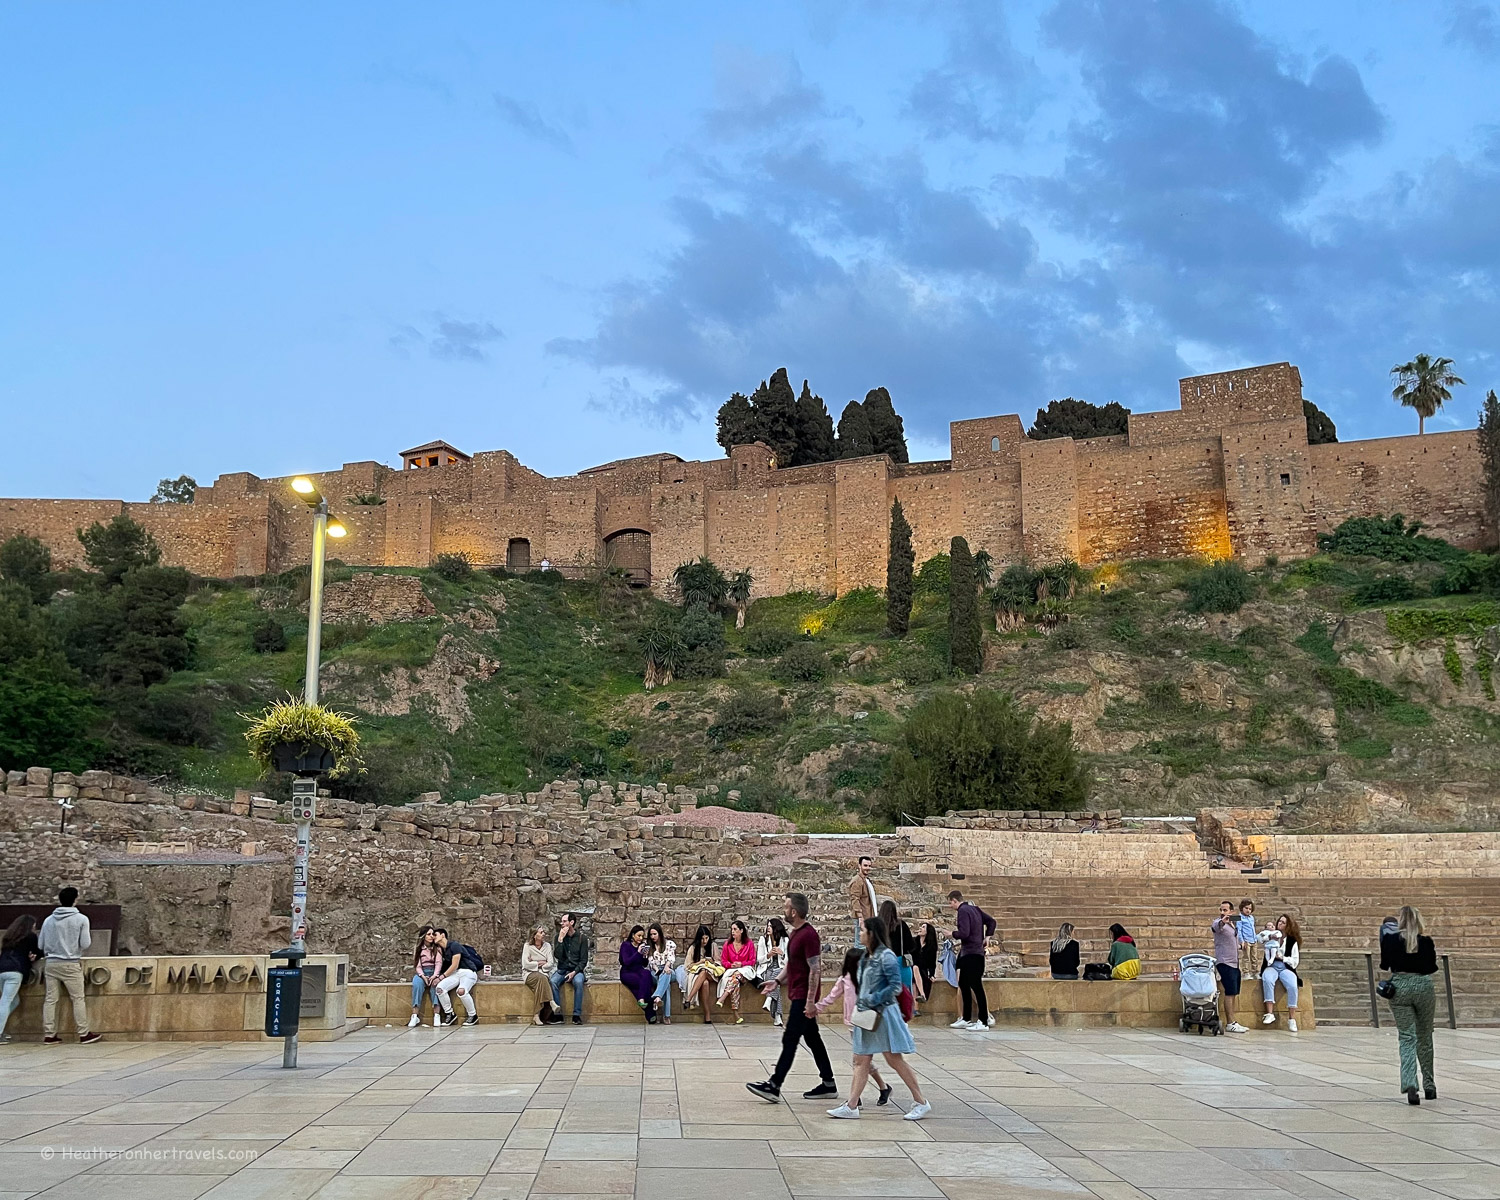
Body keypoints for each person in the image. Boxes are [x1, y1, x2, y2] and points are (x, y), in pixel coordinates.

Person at [825, 917, 932, 1121]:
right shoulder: (867, 957)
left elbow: (895, 986)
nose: (860, 934)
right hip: (867, 1014)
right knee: (861, 1059)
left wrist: (871, 999)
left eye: (863, 930)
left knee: (893, 1059)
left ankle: (921, 1102)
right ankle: (852, 1105)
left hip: (882, 1014)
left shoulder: (886, 957)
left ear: (872, 933)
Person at [746, 892, 838, 1104]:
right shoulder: (795, 933)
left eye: (786, 907)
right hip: (797, 992)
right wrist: (776, 981)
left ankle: (774, 1085)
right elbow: (791, 964)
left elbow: (815, 969)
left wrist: (810, 1001)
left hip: (803, 997)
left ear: (794, 911)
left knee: (790, 1039)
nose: (784, 909)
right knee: (813, 1038)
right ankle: (828, 1083)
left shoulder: (809, 935)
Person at [812, 947, 892, 1106]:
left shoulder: (868, 978)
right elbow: (832, 996)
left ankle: (856, 1098)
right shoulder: (845, 980)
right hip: (854, 1024)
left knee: (859, 1060)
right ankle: (881, 1088)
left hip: (868, 1023)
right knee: (863, 1060)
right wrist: (817, 1007)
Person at [1381, 905, 1439, 1104]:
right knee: (1425, 1035)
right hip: (1423, 985)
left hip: (1400, 986)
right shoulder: (1426, 942)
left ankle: (1410, 1082)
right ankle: (1429, 1084)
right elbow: (1432, 967)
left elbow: (1384, 964)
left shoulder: (1390, 940)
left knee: (1406, 1037)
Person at [39, 887, 100, 1045]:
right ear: (75, 900)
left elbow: (41, 944)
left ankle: (49, 1034)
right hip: (70, 963)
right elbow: (85, 943)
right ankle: (83, 1033)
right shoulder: (81, 919)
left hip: (51, 963)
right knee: (78, 999)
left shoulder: (48, 920)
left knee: (51, 999)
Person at [947, 890, 996, 1030]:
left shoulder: (963, 911)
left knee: (976, 986)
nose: (951, 906)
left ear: (955, 900)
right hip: (970, 952)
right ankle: (966, 1018)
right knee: (963, 982)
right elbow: (991, 922)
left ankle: (983, 1021)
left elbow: (964, 933)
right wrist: (987, 936)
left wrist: (951, 934)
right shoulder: (975, 909)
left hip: (972, 953)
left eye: (950, 903)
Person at [0, 915, 41, 1043]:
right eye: (34, 926)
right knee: (6, 1001)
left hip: (2, 970)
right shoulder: (30, 937)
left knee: (13, 1001)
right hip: (15, 970)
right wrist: (35, 956)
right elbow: (37, 952)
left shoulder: (8, 937)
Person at [1210, 902, 1250, 1033]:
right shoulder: (1218, 923)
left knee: (1233, 992)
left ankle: (1233, 1021)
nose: (1223, 912)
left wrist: (1241, 945)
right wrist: (1223, 921)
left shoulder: (1233, 925)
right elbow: (1217, 926)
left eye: (1225, 910)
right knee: (1229, 992)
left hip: (1234, 962)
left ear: (1231, 911)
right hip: (1225, 962)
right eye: (1221, 909)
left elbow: (1232, 940)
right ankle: (1230, 1022)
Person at [1259, 913, 1301, 1033]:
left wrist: (1283, 958)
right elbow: (1261, 939)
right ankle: (1269, 1013)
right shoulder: (1272, 936)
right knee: (1267, 979)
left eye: (1283, 922)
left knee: (1293, 985)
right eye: (1279, 922)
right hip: (1271, 965)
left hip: (1285, 967)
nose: (1280, 924)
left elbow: (1295, 961)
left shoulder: (1292, 941)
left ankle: (1292, 1018)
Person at [433, 930, 483, 1027]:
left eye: (435, 934)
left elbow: (455, 965)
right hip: (456, 974)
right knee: (440, 989)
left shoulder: (454, 945)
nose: (434, 937)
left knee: (461, 991)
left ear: (443, 935)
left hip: (468, 971)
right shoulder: (442, 950)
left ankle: (472, 1015)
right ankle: (450, 1014)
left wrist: (441, 977)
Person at [550, 913, 589, 1025]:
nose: (562, 924)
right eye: (562, 921)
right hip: (562, 969)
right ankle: (558, 1015)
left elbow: (583, 961)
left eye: (564, 921)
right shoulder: (558, 937)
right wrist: (561, 940)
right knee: (553, 982)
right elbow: (557, 956)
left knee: (578, 981)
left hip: (576, 970)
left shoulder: (582, 938)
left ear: (571, 923)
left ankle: (576, 1015)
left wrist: (574, 972)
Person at [717, 920, 758, 1024]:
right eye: (732, 929)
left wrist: (741, 964)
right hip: (732, 972)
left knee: (737, 975)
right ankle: (736, 1014)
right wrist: (731, 965)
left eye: (735, 929)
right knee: (735, 981)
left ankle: (723, 997)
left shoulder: (749, 944)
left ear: (741, 931)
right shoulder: (728, 944)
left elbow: (752, 960)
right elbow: (724, 961)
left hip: (745, 971)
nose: (733, 932)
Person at [880, 900, 917, 1006]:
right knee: (904, 994)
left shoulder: (878, 927)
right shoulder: (901, 925)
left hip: (884, 962)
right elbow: (911, 945)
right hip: (901, 962)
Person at [682, 925, 721, 1023]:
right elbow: (688, 966)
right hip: (698, 973)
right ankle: (707, 1015)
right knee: (705, 983)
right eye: (702, 938)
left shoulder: (713, 946)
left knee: (704, 972)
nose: (705, 941)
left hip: (712, 973)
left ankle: (689, 998)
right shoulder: (693, 948)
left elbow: (718, 962)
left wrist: (711, 961)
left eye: (706, 938)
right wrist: (700, 962)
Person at [408, 925, 443, 1028]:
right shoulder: (419, 949)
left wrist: (434, 976)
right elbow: (417, 965)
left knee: (435, 986)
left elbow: (438, 963)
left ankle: (437, 1014)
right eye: (429, 934)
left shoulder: (437, 948)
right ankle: (414, 1015)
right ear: (423, 936)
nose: (431, 936)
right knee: (417, 985)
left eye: (432, 934)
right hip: (422, 972)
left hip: (434, 972)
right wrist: (422, 976)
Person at [521, 925, 556, 1026]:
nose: (543, 934)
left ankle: (536, 1015)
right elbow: (525, 964)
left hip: (543, 973)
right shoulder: (527, 946)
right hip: (529, 974)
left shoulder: (547, 946)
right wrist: (539, 963)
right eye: (541, 932)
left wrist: (535, 962)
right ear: (534, 935)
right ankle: (551, 1001)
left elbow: (550, 963)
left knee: (541, 982)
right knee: (542, 979)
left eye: (543, 932)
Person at [619, 925, 655, 1022]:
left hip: (639, 970)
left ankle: (641, 999)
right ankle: (651, 1008)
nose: (641, 938)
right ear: (633, 935)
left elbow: (644, 964)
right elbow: (626, 962)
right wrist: (638, 953)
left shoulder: (641, 945)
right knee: (644, 984)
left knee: (647, 974)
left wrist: (644, 956)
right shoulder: (625, 945)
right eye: (639, 936)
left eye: (642, 936)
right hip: (627, 972)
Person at [756, 918, 788, 1026]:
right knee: (774, 981)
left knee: (776, 976)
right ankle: (778, 1017)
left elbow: (791, 961)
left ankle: (769, 998)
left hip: (781, 969)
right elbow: (759, 959)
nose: (768, 928)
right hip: (767, 969)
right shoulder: (763, 940)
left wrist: (782, 954)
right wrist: (768, 955)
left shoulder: (785, 940)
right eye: (767, 926)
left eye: (770, 926)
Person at [646, 923, 678, 1024]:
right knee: (665, 984)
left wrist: (666, 967)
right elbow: (651, 962)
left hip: (667, 969)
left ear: (659, 933)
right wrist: (657, 971)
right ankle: (666, 1016)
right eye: (651, 935)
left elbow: (671, 958)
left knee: (667, 974)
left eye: (654, 934)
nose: (653, 937)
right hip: (656, 970)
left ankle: (657, 996)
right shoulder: (650, 947)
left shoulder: (669, 944)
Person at [848, 854, 878, 943]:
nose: (867, 868)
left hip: (868, 916)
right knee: (860, 944)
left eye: (869, 866)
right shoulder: (857, 881)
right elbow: (855, 898)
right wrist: (860, 917)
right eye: (865, 865)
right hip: (861, 918)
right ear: (859, 866)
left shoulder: (865, 880)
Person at [913, 922, 938, 1010]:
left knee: (914, 982)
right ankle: (922, 995)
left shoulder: (931, 946)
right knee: (915, 969)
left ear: (928, 931)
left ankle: (916, 1008)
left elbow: (932, 962)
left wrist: (932, 974)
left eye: (923, 927)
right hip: (913, 969)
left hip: (923, 971)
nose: (920, 928)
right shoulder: (914, 942)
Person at [1236, 899, 1258, 983]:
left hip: (1253, 940)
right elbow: (1239, 930)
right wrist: (1242, 941)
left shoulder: (1251, 918)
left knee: (1254, 957)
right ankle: (1246, 972)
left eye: (1250, 909)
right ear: (1242, 908)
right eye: (1246, 908)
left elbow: (1253, 928)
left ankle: (1255, 971)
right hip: (1246, 941)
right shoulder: (1239, 918)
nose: (1248, 910)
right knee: (1246, 957)